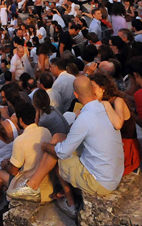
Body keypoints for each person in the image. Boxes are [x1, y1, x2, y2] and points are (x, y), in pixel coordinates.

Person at [8, 76, 123, 218]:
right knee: (57, 137)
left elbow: (61, 153)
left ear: (76, 94)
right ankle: (34, 184)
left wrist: (44, 146)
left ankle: (69, 203)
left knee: (56, 154)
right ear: (92, 91)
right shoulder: (104, 108)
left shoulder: (84, 118)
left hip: (100, 181)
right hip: (113, 173)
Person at [0, 103, 51, 226]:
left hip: (30, 185)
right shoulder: (45, 131)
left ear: (21, 120)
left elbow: (13, 171)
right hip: (47, 183)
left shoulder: (21, 140)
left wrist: (5, 165)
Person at [90, 72, 140, 175]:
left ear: (102, 88)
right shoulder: (98, 102)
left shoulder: (117, 101)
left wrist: (105, 104)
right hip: (115, 145)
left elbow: (118, 124)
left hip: (125, 149)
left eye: (93, 87)